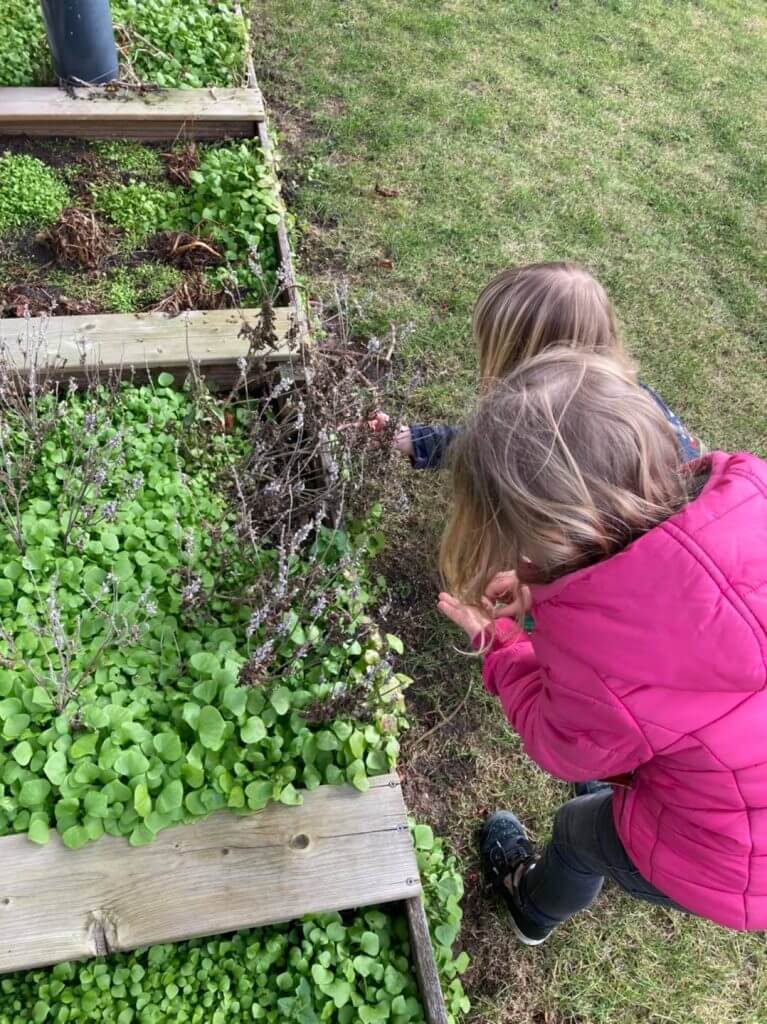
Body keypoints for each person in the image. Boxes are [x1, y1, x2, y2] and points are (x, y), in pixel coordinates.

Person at [438, 348, 767, 945]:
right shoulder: (751, 497)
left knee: (579, 832)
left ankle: (532, 903)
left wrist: (501, 642)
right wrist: (546, 590)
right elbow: (672, 592)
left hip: (736, 857)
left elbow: (559, 743)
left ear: (563, 536)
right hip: (745, 781)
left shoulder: (604, 672)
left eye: (526, 547)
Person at [380, 262, 701, 468]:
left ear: (526, 360)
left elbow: (493, 450)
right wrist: (415, 440)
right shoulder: (628, 396)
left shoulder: (549, 437)